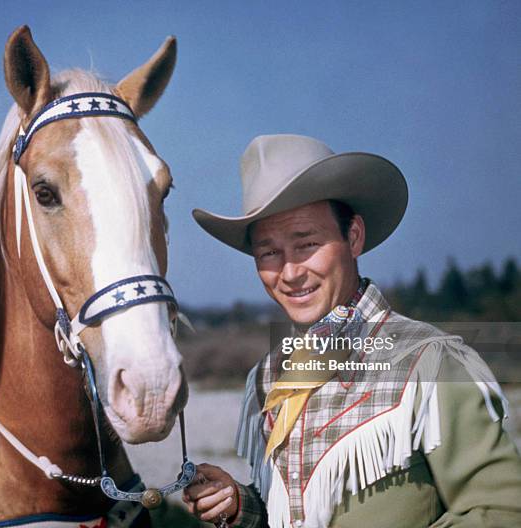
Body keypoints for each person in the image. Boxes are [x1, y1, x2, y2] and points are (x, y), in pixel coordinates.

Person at [183, 134, 521, 527]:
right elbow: (299, 510)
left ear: (354, 236)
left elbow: (501, 510)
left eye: (307, 243)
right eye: (269, 253)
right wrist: (244, 507)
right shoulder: (270, 376)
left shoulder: (427, 360)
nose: (290, 272)